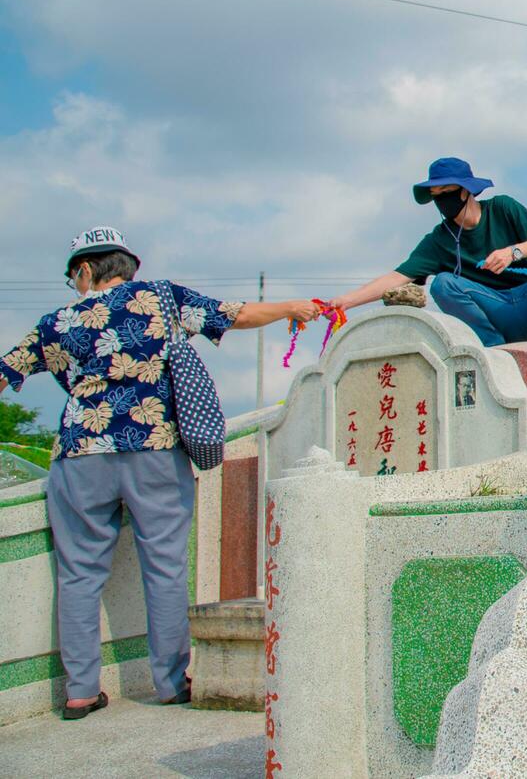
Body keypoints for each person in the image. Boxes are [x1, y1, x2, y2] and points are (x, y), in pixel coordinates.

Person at [0, 226, 320, 718]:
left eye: (74, 277)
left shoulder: (58, 321)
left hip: (80, 453)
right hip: (155, 450)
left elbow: (7, 369)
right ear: (127, 266)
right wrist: (292, 308)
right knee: (165, 568)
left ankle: (81, 691)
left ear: (85, 270)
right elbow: (235, 315)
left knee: (79, 574)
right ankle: (170, 682)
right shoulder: (160, 299)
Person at [328, 157, 527, 346]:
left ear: (465, 190)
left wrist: (512, 252)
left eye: (447, 192)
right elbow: (396, 277)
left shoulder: (502, 208)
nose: (442, 200)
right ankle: (492, 346)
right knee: (442, 283)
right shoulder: (439, 240)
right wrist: (345, 302)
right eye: (436, 195)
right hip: (494, 308)